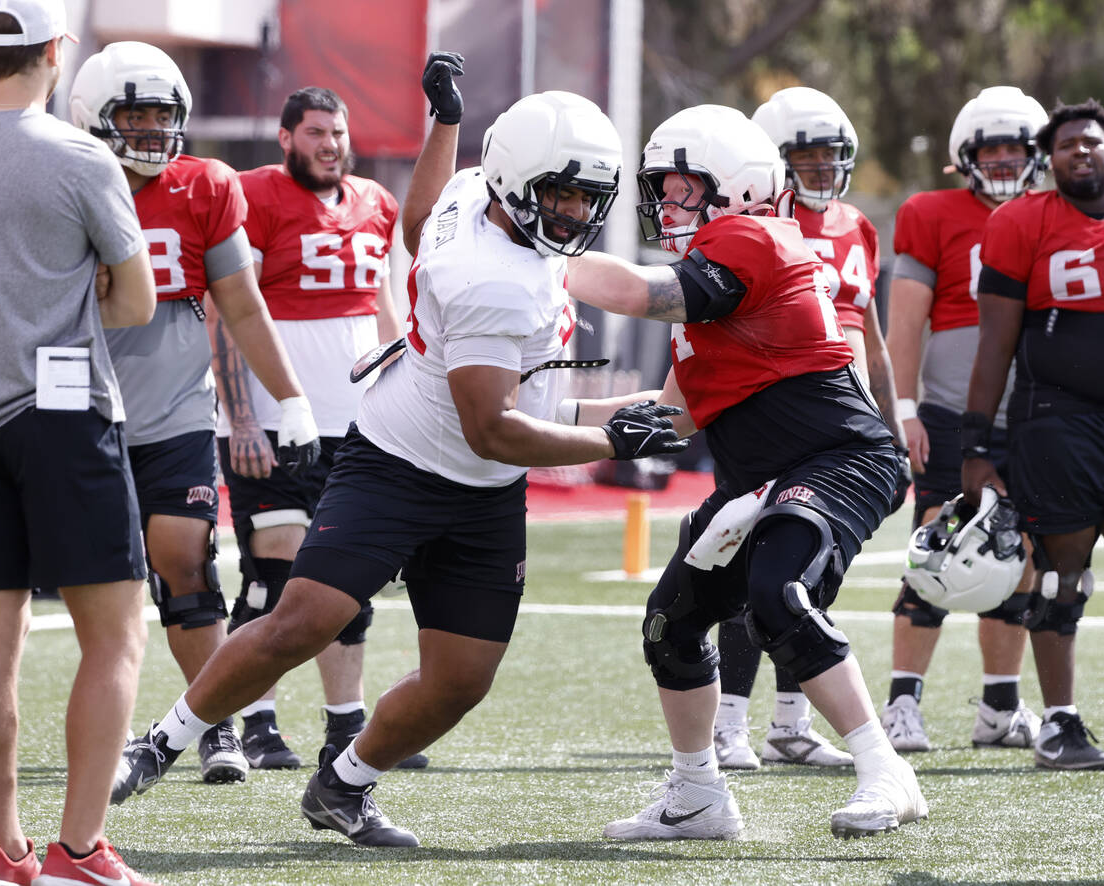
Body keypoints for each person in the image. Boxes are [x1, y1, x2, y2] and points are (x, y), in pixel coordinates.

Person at [110, 57, 687, 849]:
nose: (575, 211)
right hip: (401, 465)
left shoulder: (475, 194)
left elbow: (419, 230)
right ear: (516, 182)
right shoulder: (497, 283)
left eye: (588, 196)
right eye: (561, 193)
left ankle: (343, 785)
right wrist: (612, 438)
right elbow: (494, 428)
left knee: (461, 681)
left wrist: (443, 124)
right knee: (301, 620)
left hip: (484, 489)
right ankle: (163, 741)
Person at [567, 103, 927, 840]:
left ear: (733, 187)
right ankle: (697, 793)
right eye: (663, 189)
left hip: (838, 458)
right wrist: (544, 409)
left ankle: (886, 769)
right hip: (761, 479)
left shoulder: (754, 237)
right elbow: (673, 418)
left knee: (776, 593)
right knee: (670, 625)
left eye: (682, 188)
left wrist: (536, 251)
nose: (667, 204)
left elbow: (634, 292)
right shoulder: (715, 282)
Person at [68, 41, 320, 788]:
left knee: (185, 562)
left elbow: (241, 303)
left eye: (163, 115)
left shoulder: (203, 184)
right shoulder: (64, 179)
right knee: (98, 581)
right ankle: (108, 718)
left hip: (176, 409)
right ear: (93, 117)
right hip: (83, 409)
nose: (152, 130)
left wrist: (291, 397)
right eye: (135, 115)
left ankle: (212, 726)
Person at [963, 98, 1104, 770]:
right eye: (1065, 146)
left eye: (1090, 141)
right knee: (1063, 574)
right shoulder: (1020, 220)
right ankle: (1060, 725)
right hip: (1053, 421)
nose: (1080, 152)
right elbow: (994, 343)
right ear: (1049, 161)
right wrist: (974, 444)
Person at [695, 86, 909, 773]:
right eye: (806, 157)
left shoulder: (857, 227)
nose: (820, 170)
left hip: (844, 421)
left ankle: (789, 723)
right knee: (749, 563)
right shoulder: (755, 228)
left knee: (810, 568)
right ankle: (728, 722)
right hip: (772, 416)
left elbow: (870, 334)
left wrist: (895, 420)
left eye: (829, 157)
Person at [0, 2, 159, 884]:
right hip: (62, 418)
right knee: (115, 637)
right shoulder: (81, 157)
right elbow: (135, 303)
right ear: (56, 51)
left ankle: (3, 847)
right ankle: (79, 852)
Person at [205, 85, 417, 771]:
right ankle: (257, 721)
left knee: (347, 576)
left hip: (358, 423)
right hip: (273, 418)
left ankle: (345, 723)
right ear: (286, 138)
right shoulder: (255, 195)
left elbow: (382, 303)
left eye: (338, 132)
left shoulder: (375, 201)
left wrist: (402, 393)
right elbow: (229, 308)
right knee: (274, 571)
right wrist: (241, 415)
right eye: (317, 133)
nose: (331, 145)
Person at [881, 86, 1047, 752]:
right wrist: (904, 408)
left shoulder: (1056, 214)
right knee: (936, 551)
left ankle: (1000, 709)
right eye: (991, 149)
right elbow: (903, 323)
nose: (1004, 160)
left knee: (1019, 557)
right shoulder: (931, 212)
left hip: (1030, 416)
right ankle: (902, 703)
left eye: (1015, 148)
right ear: (965, 156)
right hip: (951, 412)